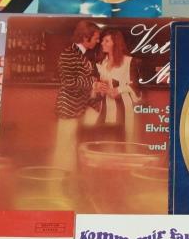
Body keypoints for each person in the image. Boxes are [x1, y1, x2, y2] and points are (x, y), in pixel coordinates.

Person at [53, 20, 102, 174]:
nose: (98, 41)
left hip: (77, 108)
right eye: (96, 38)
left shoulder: (82, 54)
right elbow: (69, 82)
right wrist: (93, 83)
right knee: (64, 147)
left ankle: (67, 178)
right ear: (86, 37)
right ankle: (61, 178)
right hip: (68, 108)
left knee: (71, 145)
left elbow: (81, 80)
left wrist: (94, 85)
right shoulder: (69, 54)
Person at [83, 29, 140, 142]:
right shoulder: (101, 63)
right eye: (102, 40)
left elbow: (135, 85)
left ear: (116, 43)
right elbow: (94, 83)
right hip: (104, 107)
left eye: (106, 41)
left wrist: (118, 90)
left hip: (123, 108)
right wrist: (97, 86)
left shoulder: (129, 61)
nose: (102, 43)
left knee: (123, 140)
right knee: (103, 141)